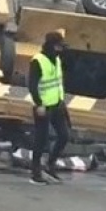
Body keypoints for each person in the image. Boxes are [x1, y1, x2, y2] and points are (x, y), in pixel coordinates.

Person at [27, 30, 71, 184]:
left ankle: (50, 164)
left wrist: (62, 101)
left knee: (64, 136)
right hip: (44, 107)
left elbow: (58, 82)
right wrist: (39, 104)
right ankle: (35, 172)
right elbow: (32, 85)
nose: (61, 50)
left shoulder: (57, 60)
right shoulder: (38, 61)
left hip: (57, 105)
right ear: (52, 46)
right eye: (59, 47)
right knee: (41, 139)